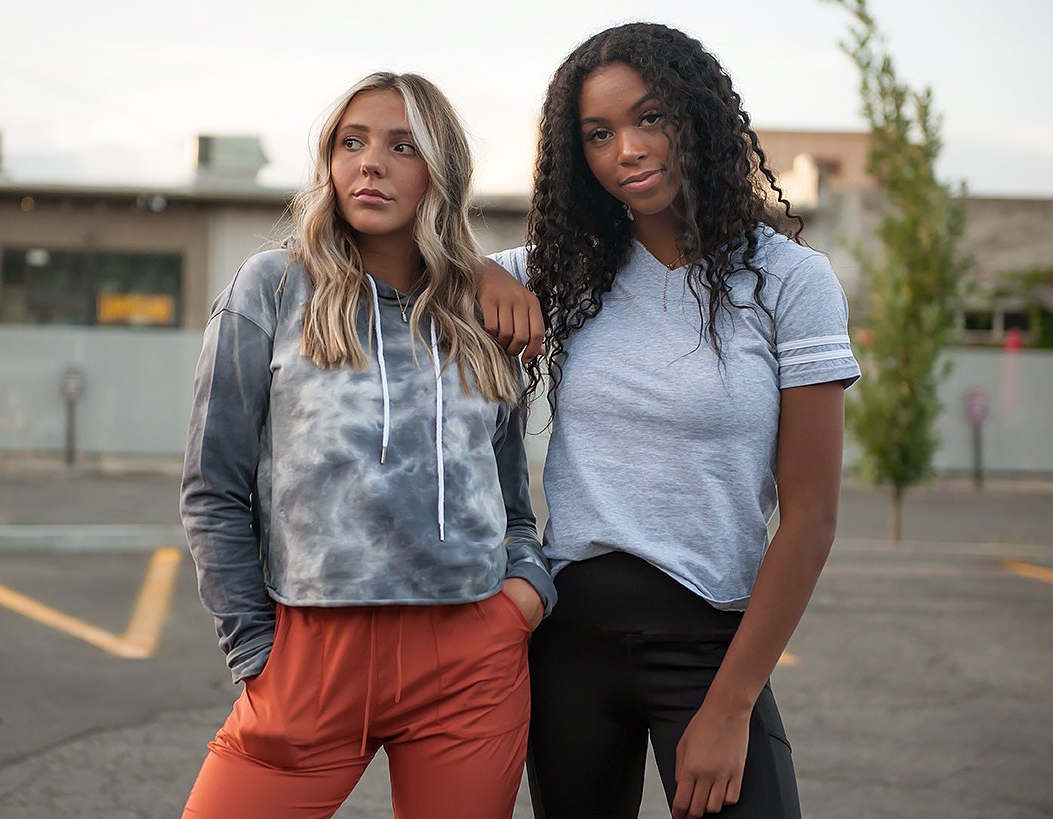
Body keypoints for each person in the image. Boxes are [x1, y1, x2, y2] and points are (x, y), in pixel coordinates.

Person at [483, 22, 862, 819]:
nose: (626, 148)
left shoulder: (790, 281)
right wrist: (478, 271)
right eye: (597, 133)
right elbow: (403, 261)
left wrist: (728, 708)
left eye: (649, 116)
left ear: (697, 115)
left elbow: (812, 516)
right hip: (569, 647)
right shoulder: (560, 272)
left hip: (711, 645)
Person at [179, 71, 555, 819]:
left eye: (400, 145)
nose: (370, 163)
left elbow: (511, 500)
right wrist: (254, 651)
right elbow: (211, 486)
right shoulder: (272, 288)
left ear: (439, 174)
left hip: (470, 659)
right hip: (313, 656)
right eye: (351, 142)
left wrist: (523, 597)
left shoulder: (481, 315)